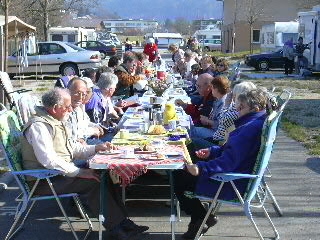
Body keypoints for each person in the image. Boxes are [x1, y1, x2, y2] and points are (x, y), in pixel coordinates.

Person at [21, 88, 148, 239]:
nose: (71, 109)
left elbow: (71, 148)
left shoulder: (54, 120)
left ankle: (123, 222)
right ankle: (116, 228)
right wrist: (79, 172)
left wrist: (95, 148)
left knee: (106, 174)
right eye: (67, 106)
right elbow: (48, 160)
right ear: (55, 108)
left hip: (56, 174)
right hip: (42, 181)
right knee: (93, 181)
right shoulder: (39, 126)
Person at [173, 88, 269, 240]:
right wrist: (212, 151)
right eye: (238, 106)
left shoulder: (249, 129)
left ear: (255, 108)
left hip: (233, 182)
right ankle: (201, 218)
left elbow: (228, 162)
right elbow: (232, 151)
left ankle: (201, 217)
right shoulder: (258, 121)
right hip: (242, 174)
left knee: (179, 177)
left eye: (241, 107)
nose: (237, 110)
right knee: (186, 164)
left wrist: (200, 168)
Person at [67, 77, 103, 145]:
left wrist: (97, 126)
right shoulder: (63, 111)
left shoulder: (79, 107)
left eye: (83, 94)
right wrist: (92, 131)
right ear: (67, 91)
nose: (80, 97)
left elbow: (85, 122)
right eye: (77, 93)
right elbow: (75, 134)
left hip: (83, 144)